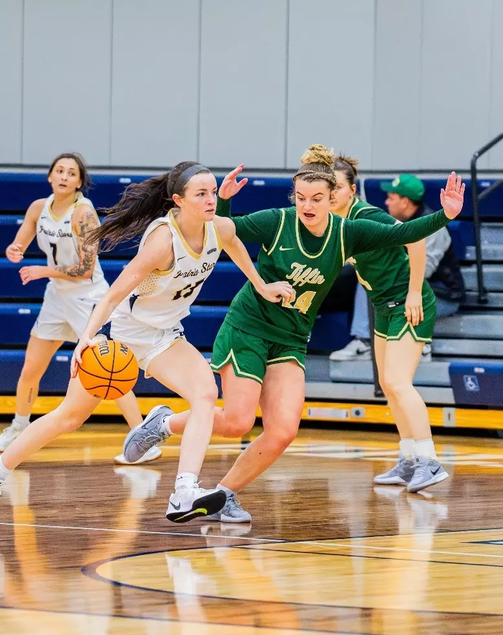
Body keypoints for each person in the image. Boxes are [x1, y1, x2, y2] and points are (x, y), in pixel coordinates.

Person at [121, 145, 465, 523]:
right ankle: (164, 423)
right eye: (301, 198)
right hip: (250, 328)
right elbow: (227, 233)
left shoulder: (349, 231)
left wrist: (445, 215)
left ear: (333, 197)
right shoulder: (277, 221)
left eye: (317, 198)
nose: (307, 205)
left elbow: (411, 232)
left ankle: (225, 494)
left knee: (283, 431)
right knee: (237, 422)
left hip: (291, 337)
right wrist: (223, 204)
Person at [0, 162, 294, 525]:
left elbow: (235, 246)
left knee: (204, 394)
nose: (210, 200)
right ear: (178, 200)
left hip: (164, 336)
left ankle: (184, 491)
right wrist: (86, 339)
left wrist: (262, 286)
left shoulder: (219, 228)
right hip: (121, 336)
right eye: (200, 194)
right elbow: (111, 296)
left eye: (212, 192)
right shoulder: (162, 243)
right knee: (70, 416)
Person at [0, 153, 145, 457]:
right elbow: (21, 240)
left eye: (71, 173)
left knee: (109, 370)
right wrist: (15, 249)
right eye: (59, 171)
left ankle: (141, 438)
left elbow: (85, 269)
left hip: (88, 297)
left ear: (79, 182)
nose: (63, 176)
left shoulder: (83, 214)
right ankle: (19, 427)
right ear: (49, 176)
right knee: (31, 367)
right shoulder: (38, 208)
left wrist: (43, 270)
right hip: (57, 297)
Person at [329, 155, 450, 492]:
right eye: (328, 187)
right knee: (387, 383)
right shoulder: (332, 223)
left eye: (337, 187)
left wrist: (414, 293)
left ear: (352, 190)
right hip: (383, 306)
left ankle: (430, 461)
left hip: (409, 304)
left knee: (398, 381)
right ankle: (408, 460)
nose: (332, 193)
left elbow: (416, 239)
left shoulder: (368, 216)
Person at [331, 173, 465, 362]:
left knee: (374, 280)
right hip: (407, 290)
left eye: (391, 198)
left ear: (406, 201)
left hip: (442, 294)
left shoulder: (434, 227)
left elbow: (422, 272)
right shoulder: (394, 224)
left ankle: (366, 341)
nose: (386, 203)